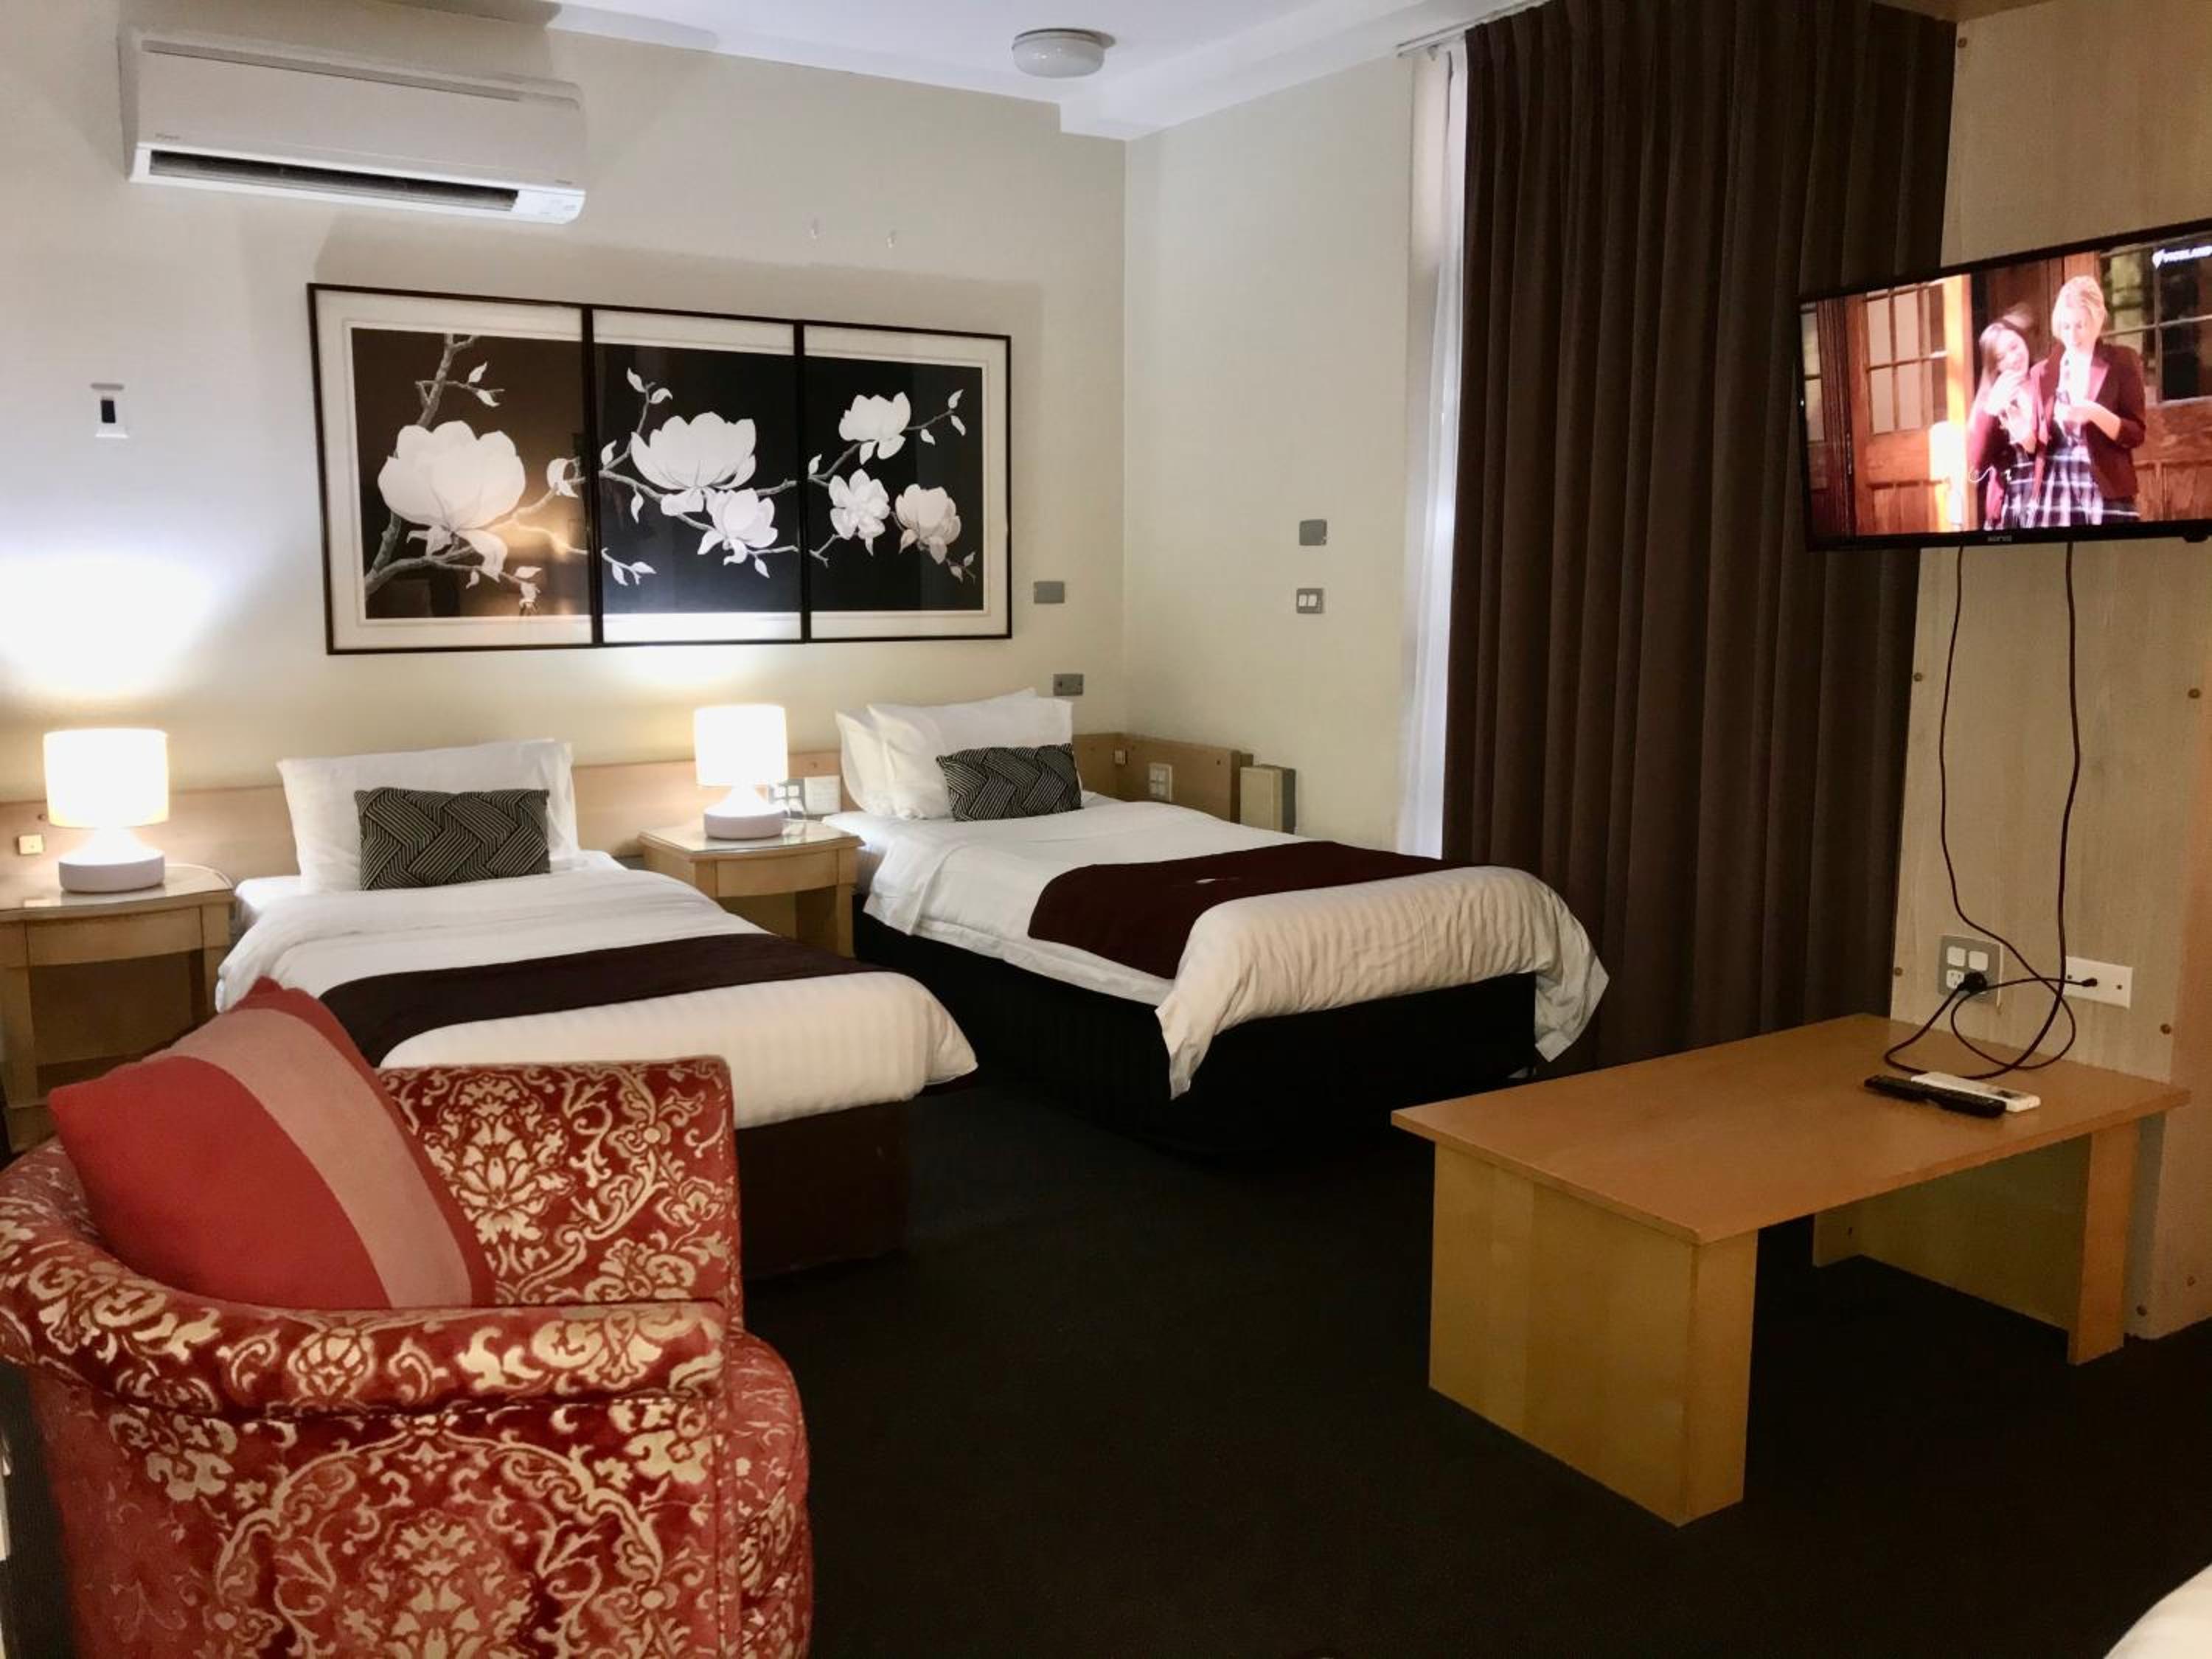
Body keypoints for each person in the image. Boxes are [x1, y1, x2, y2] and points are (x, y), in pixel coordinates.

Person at [2025, 276, 2147, 528]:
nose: (2072, 336)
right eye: (2065, 326)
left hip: (2105, 487)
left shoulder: (2122, 361)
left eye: (2080, 326)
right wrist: (2021, 428)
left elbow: (2135, 434)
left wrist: (2093, 412)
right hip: (2055, 486)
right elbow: (2036, 447)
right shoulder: (2041, 373)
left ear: (2098, 319)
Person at [1964, 307, 2038, 530]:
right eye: (2001, 357)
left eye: (2014, 347)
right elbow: (1976, 467)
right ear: (1994, 366)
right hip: (2009, 500)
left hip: (2047, 494)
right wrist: (1991, 411)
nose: (2013, 359)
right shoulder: (1990, 399)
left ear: (2024, 341)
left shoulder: (2045, 380)